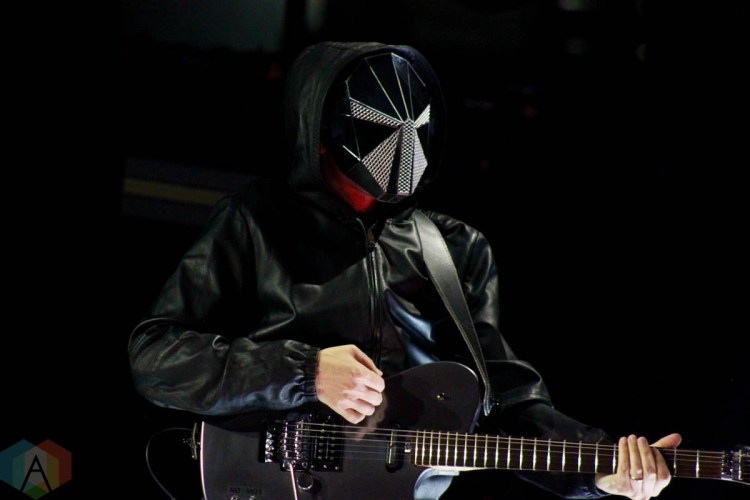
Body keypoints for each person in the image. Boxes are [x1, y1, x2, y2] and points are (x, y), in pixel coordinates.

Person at [128, 41, 681, 499]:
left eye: (415, 125)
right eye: (379, 125)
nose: (401, 141)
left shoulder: (455, 249)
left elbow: (506, 402)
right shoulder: (256, 221)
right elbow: (156, 357)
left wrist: (599, 470)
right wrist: (304, 372)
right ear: (319, 132)